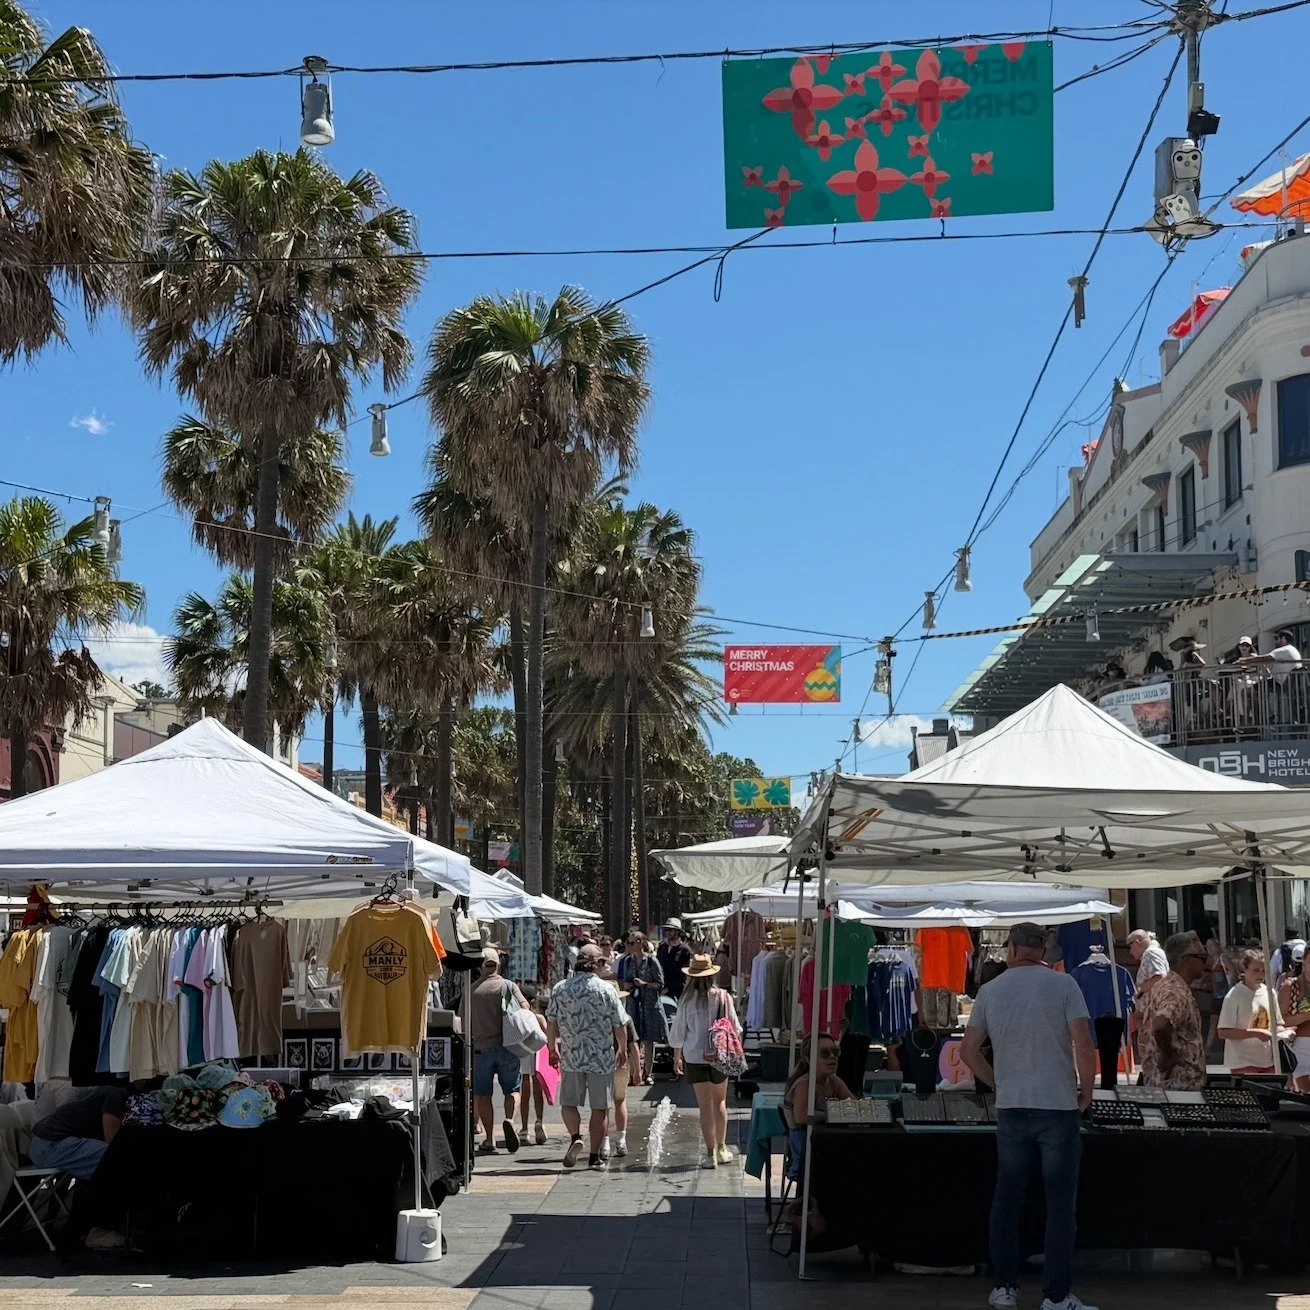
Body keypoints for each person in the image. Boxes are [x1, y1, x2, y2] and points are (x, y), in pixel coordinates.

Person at [960, 922, 1097, 1310]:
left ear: (1011, 947)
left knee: (1008, 1198)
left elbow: (969, 1051)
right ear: (1043, 948)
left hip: (1013, 1105)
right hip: (1057, 1105)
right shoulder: (1064, 984)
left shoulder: (991, 990)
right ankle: (1056, 1294)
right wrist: (1087, 1088)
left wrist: (997, 1083)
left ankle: (1004, 1285)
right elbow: (1083, 1043)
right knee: (1059, 1204)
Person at [546, 943, 628, 1170]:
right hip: (600, 1057)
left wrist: (552, 1048)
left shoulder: (560, 988)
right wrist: (623, 1048)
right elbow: (620, 1024)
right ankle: (594, 1156)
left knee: (569, 1104)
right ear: (598, 964)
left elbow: (551, 1022)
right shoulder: (606, 990)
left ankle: (575, 1137)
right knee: (600, 1108)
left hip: (572, 1055)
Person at [669, 953, 741, 1167]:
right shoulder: (723, 997)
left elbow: (678, 1033)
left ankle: (710, 1154)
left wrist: (676, 1057)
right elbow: (736, 1028)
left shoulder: (686, 1000)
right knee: (720, 1102)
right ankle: (722, 1147)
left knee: (704, 1106)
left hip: (694, 1056)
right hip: (720, 1055)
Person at [470, 946, 527, 1155]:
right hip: (508, 1047)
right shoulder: (509, 986)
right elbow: (525, 1008)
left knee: (483, 1095)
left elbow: (462, 1023)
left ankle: (489, 1139)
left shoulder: (472, 990)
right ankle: (510, 1120)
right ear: (499, 963)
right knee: (513, 1090)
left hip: (480, 1050)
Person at [1138, 931, 1207, 1090]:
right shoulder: (1175, 991)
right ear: (1186, 959)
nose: (1206, 964)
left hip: (1163, 1085)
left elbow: (1141, 1018)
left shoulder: (1163, 985)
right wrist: (1168, 1054)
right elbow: (1160, 1024)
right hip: (1178, 1089)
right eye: (1202, 958)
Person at [783, 1035, 853, 1182]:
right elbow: (801, 1117)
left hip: (830, 1148)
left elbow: (853, 1105)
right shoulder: (804, 1085)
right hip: (808, 1157)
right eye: (825, 1053)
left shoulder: (833, 1081)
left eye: (835, 1052)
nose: (832, 1057)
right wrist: (832, 1113)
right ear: (808, 1059)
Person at [29, 1085, 125, 1179]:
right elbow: (111, 1138)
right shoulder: (116, 1093)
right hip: (49, 1146)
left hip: (45, 1143)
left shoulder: (107, 1090)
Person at [1217, 949, 1281, 1074]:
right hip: (1242, 1061)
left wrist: (1285, 1031)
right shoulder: (1234, 996)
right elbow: (1223, 1032)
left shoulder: (1270, 993)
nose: (1260, 975)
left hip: (1268, 1060)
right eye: (1256, 970)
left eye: (1263, 971)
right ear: (1244, 970)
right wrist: (1255, 1033)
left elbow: (1277, 1023)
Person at [615, 930, 666, 1083]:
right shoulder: (628, 961)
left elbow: (660, 984)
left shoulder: (652, 961)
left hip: (649, 1004)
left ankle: (648, 1073)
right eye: (627, 943)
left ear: (640, 943)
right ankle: (634, 1073)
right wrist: (629, 985)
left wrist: (644, 984)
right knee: (633, 1039)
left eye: (631, 942)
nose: (628, 946)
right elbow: (623, 981)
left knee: (649, 1039)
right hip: (633, 1004)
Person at [600, 971, 641, 1160]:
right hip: (620, 1064)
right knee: (619, 1101)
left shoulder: (598, 1018)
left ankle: (605, 1142)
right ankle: (621, 1140)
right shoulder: (626, 1018)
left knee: (603, 1105)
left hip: (600, 1063)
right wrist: (638, 1070)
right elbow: (633, 1046)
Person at [516, 982, 550, 1146]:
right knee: (538, 1086)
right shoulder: (539, 1018)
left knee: (524, 1087)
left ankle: (523, 1129)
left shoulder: (515, 1018)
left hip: (521, 1054)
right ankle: (539, 1121)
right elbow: (547, 1037)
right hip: (537, 1055)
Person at [1278, 945, 1310, 1091]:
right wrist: (1305, 1016)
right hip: (1300, 1049)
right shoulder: (1290, 986)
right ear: (1303, 960)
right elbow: (1280, 1021)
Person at [1127, 928, 1169, 1000]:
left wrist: (1138, 990)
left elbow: (1160, 977)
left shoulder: (1151, 953)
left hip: (1157, 1006)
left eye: (1130, 947)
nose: (1130, 952)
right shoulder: (1153, 952)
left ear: (1137, 943)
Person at [658, 920, 693, 1000]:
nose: (667, 932)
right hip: (661, 991)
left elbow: (682, 974)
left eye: (670, 930)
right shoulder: (662, 947)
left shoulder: (685, 950)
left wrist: (668, 988)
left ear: (677, 932)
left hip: (678, 992)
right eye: (666, 929)